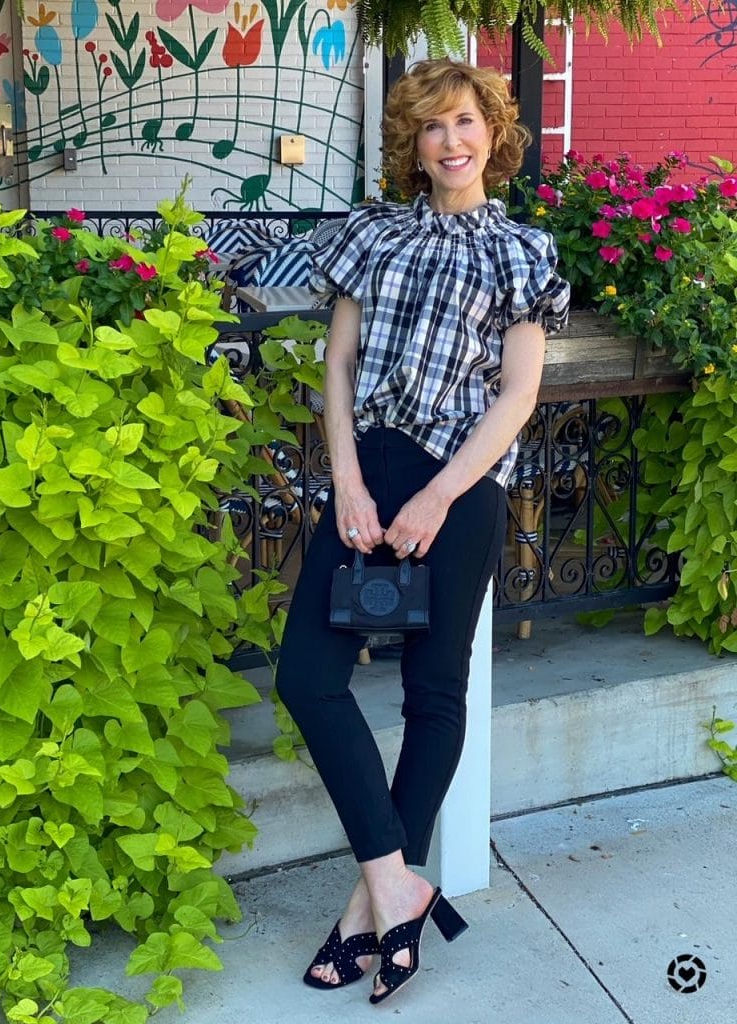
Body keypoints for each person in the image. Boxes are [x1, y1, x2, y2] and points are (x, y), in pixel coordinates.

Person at [275, 57, 570, 1005]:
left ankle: (373, 907)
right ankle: (401, 880)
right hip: (372, 474)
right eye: (433, 127)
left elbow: (518, 395)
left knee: (434, 689)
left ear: (494, 132)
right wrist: (350, 485)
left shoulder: (522, 252)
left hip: (463, 485)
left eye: (466, 122)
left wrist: (440, 496)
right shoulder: (370, 236)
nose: (451, 141)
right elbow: (339, 368)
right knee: (307, 676)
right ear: (413, 143)